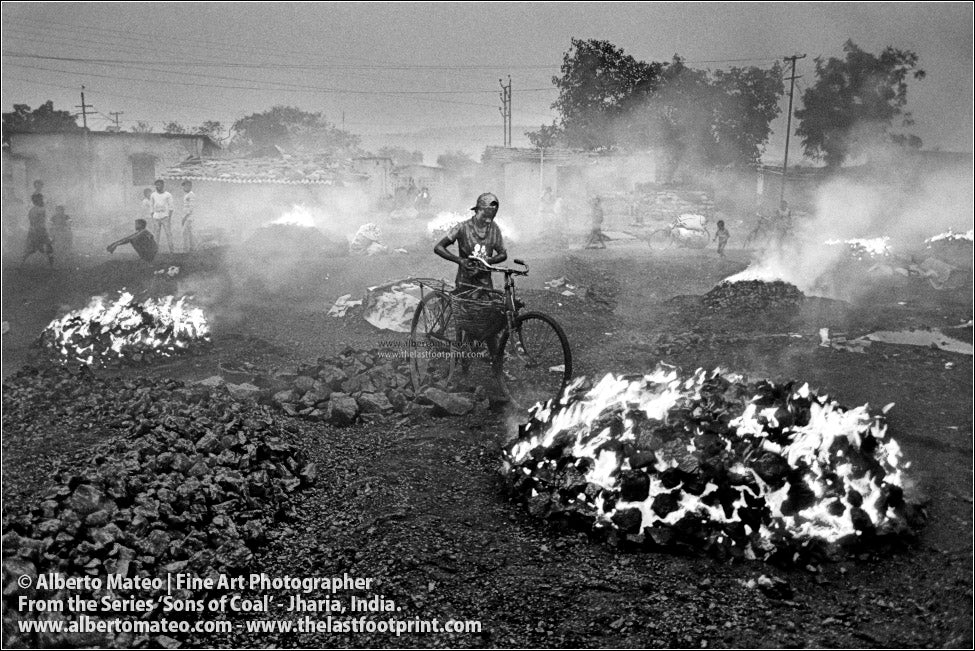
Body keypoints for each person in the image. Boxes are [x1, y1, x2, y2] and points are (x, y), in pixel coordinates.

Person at [434, 192, 507, 293]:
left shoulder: (494, 228)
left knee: (489, 307)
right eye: (486, 215)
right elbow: (439, 247)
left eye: (492, 216)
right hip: (465, 283)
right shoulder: (462, 227)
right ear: (478, 210)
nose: (489, 220)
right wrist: (460, 260)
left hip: (485, 285)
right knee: (463, 307)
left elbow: (503, 254)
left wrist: (488, 260)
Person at [22, 193, 54, 267]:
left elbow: (39, 221)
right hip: (38, 231)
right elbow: (36, 222)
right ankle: (21, 264)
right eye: (41, 199)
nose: (42, 201)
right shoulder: (37, 210)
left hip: (36, 230)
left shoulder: (34, 210)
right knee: (34, 249)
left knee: (32, 249)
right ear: (37, 201)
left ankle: (21, 264)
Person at [149, 179, 175, 253]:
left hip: (165, 217)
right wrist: (152, 216)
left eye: (159, 185)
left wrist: (169, 217)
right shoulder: (153, 195)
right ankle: (155, 251)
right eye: (157, 185)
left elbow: (171, 207)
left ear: (163, 185)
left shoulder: (168, 195)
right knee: (156, 235)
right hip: (156, 217)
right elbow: (151, 206)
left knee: (168, 234)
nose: (158, 186)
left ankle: (172, 251)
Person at [180, 180, 196, 252]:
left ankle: (186, 249)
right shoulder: (186, 195)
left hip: (189, 217)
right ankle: (192, 248)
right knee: (190, 233)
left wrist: (185, 217)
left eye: (185, 186)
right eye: (183, 186)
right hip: (186, 217)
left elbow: (191, 208)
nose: (184, 187)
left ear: (190, 186)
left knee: (184, 232)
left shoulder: (191, 195)